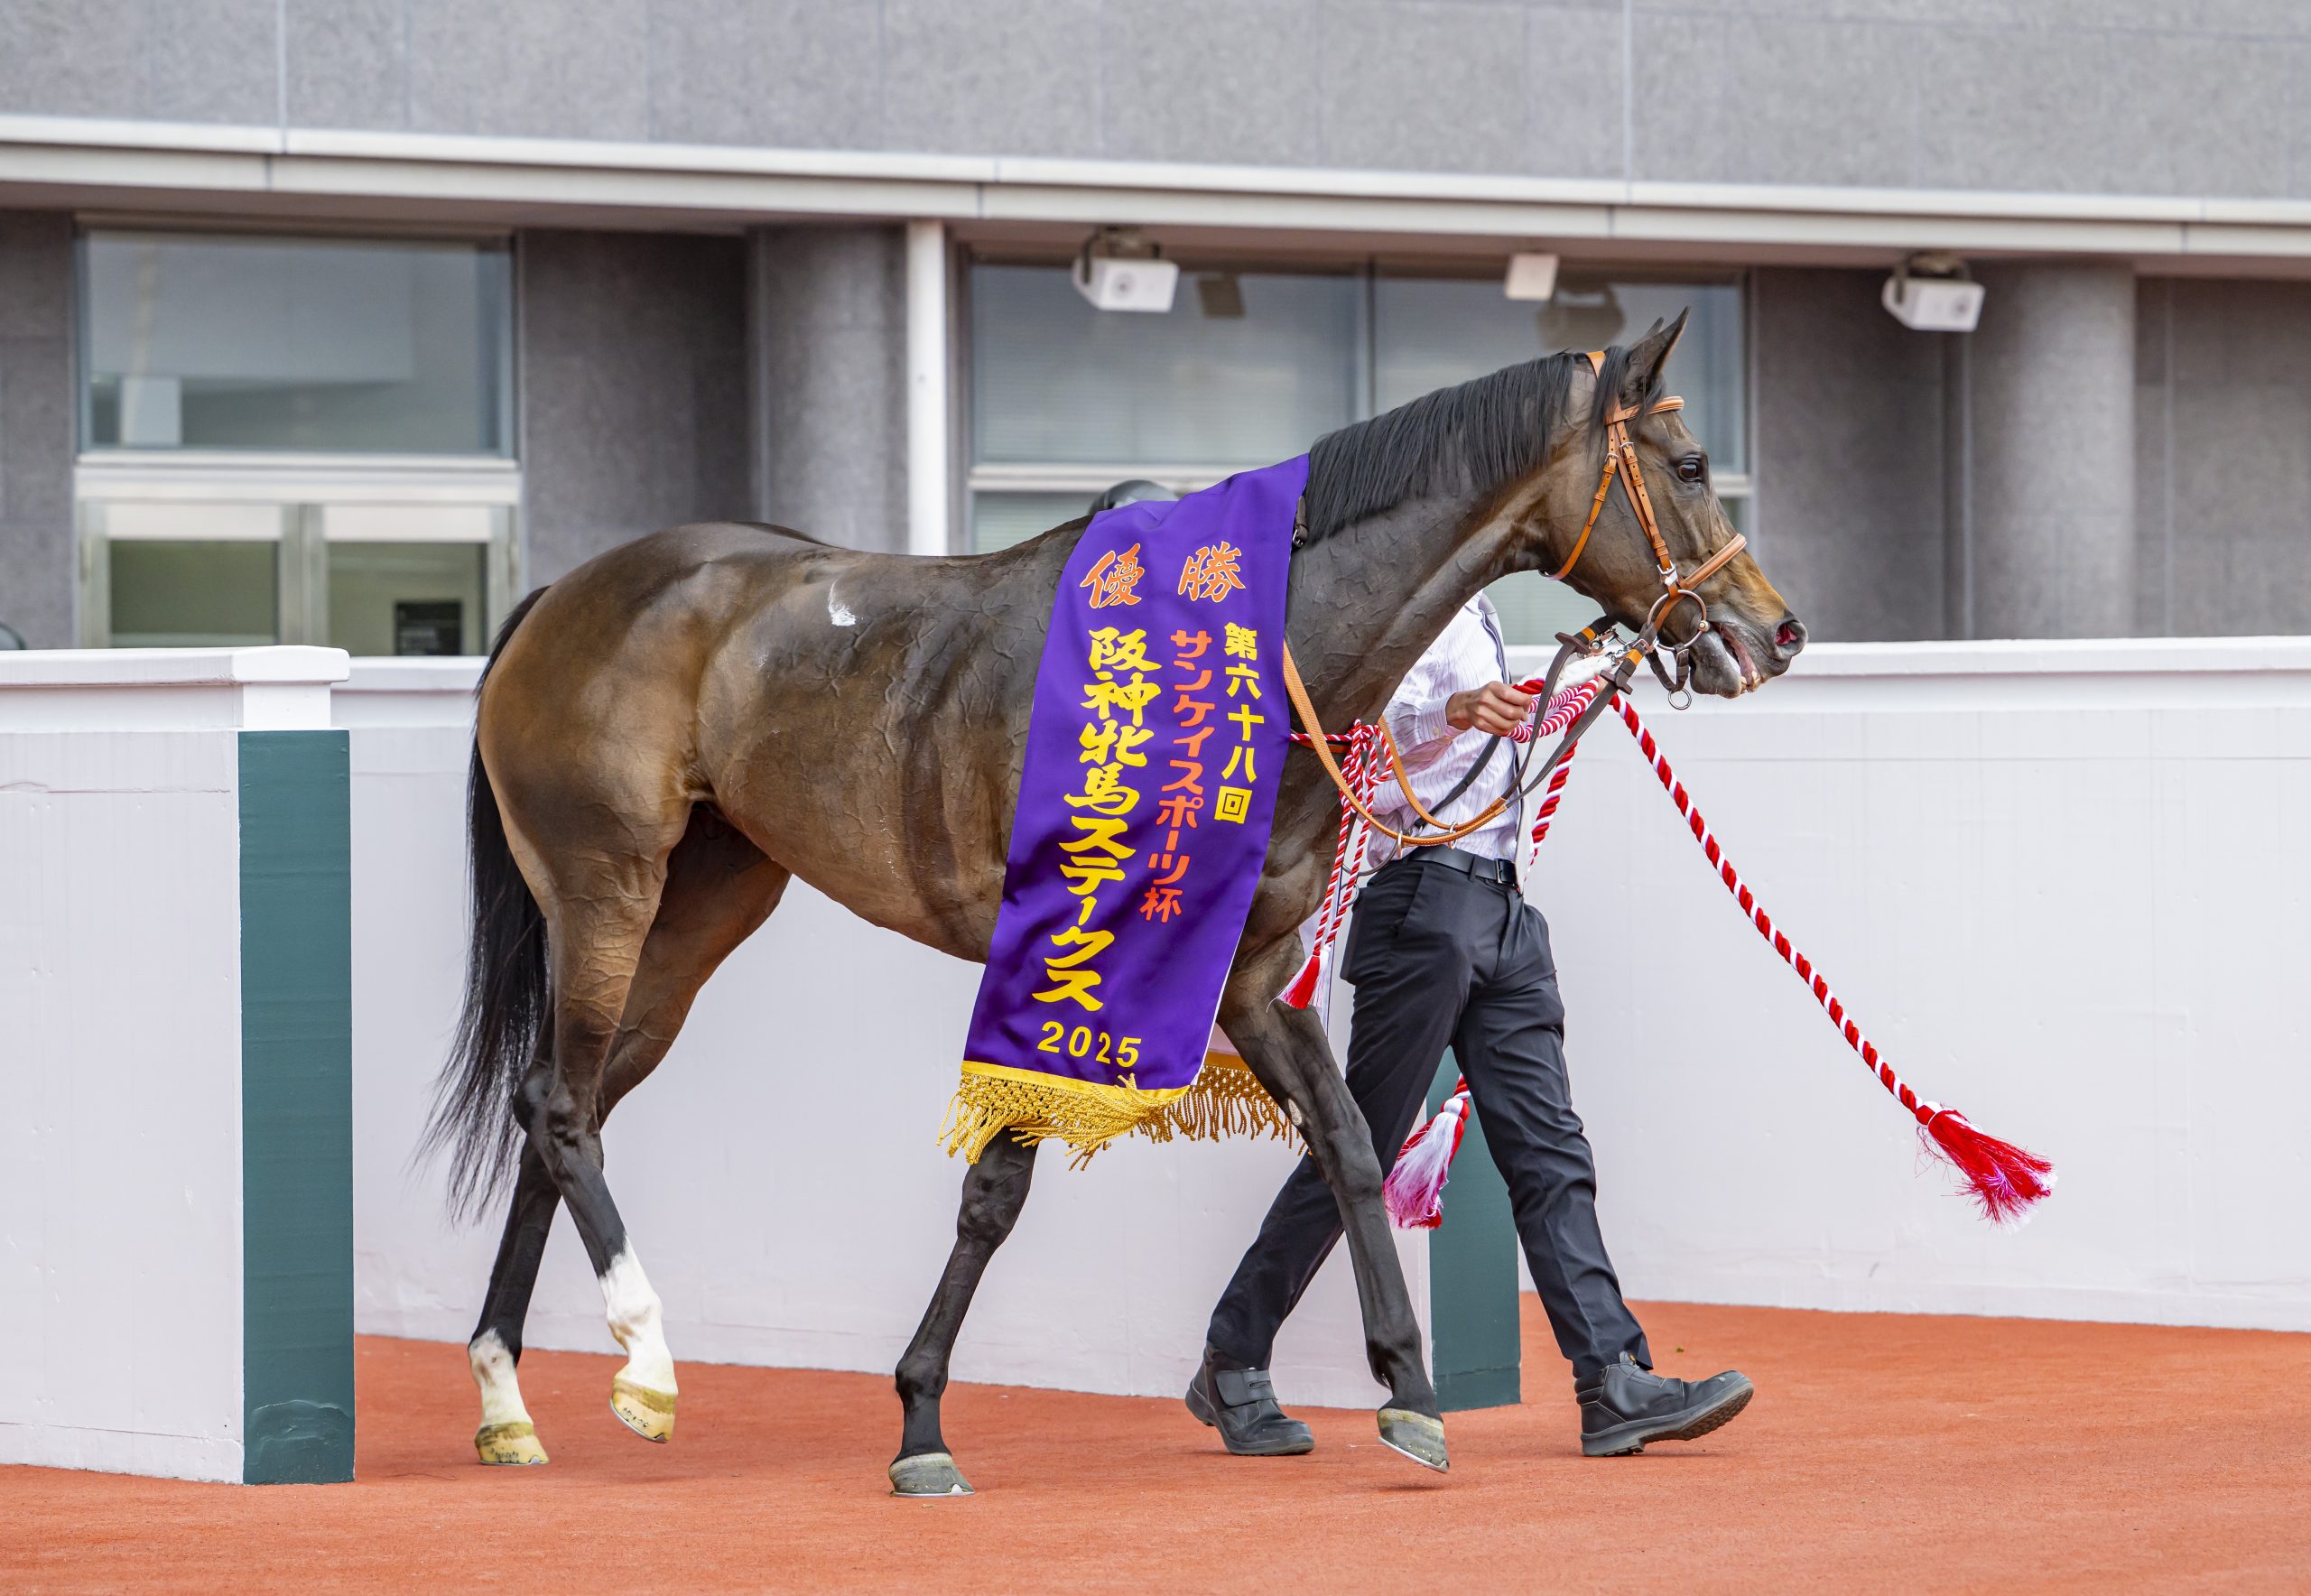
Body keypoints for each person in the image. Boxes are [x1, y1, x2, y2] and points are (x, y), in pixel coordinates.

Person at [1185, 588, 1755, 1459]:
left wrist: (1581, 691)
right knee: (1359, 1147)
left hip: (1504, 902)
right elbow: (1345, 735)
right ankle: (1233, 1354)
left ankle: (1612, 1380)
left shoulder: (1477, 611)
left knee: (1550, 1146)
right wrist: (1450, 708)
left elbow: (1490, 759)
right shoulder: (1396, 600)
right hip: (1419, 897)